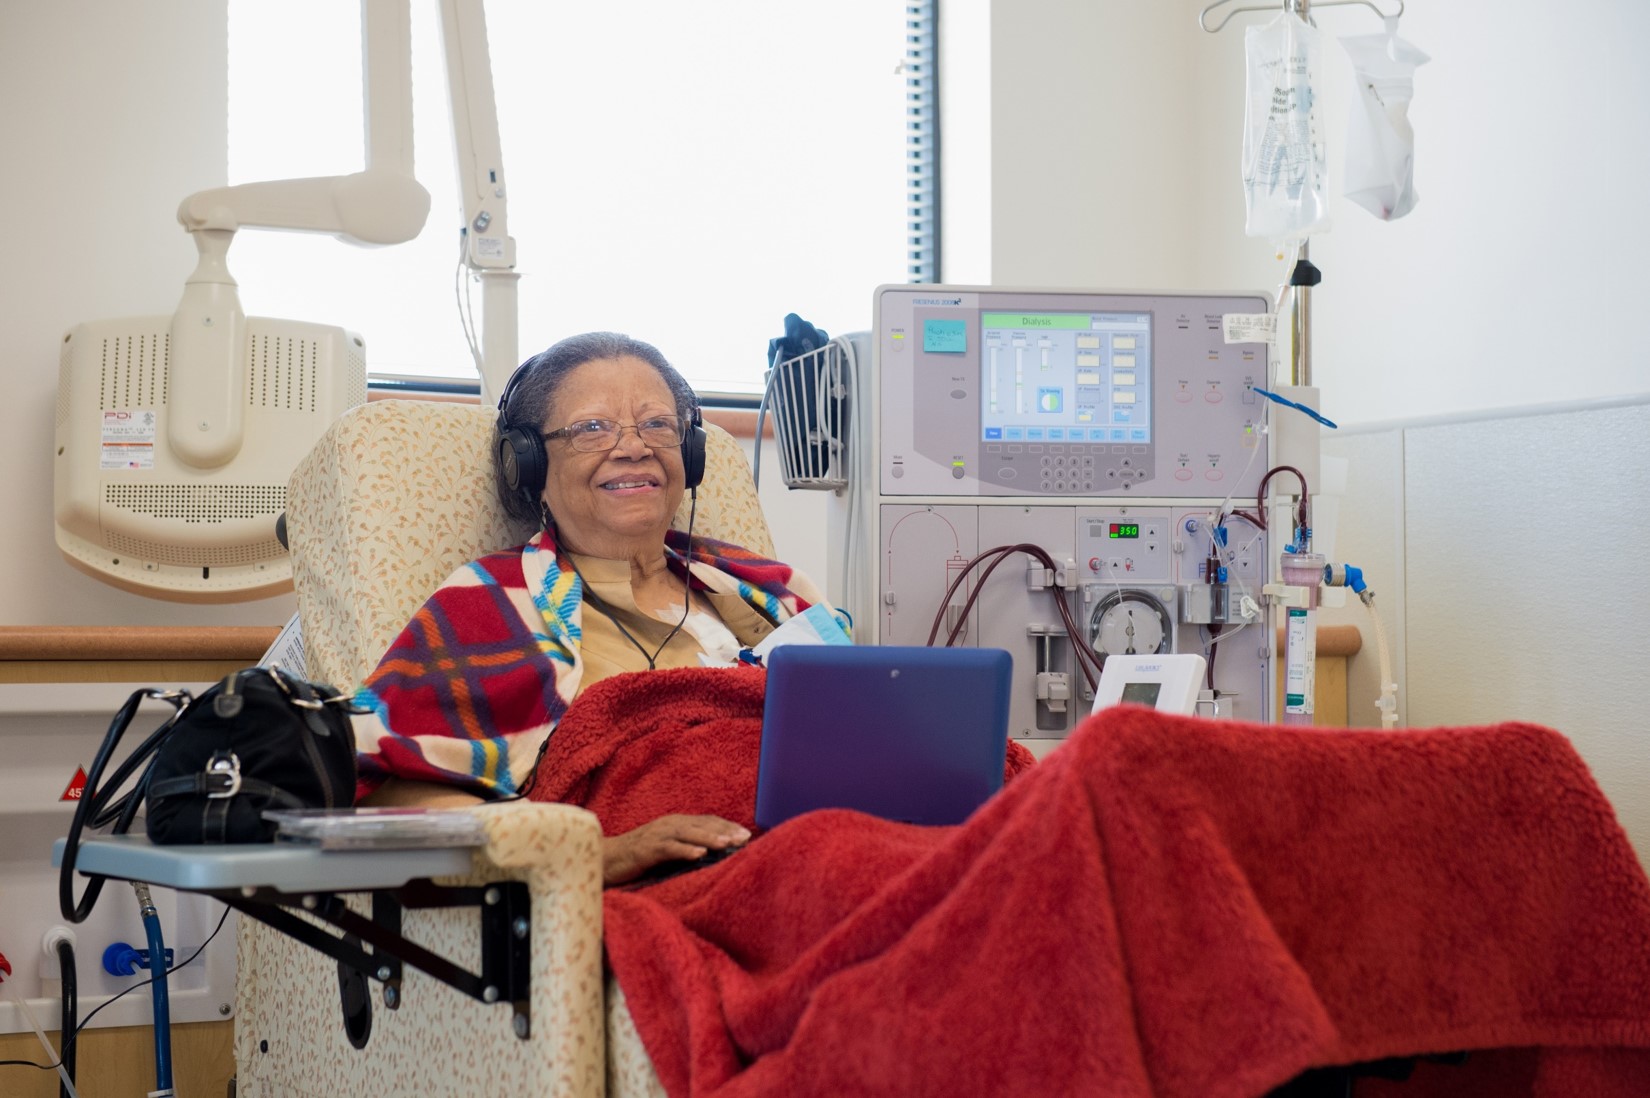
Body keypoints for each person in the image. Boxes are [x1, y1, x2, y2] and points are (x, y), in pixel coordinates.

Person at [351, 331, 851, 885]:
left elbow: (867, 742)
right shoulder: (490, 603)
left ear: (690, 453)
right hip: (682, 882)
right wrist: (602, 854)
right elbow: (390, 803)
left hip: (818, 838)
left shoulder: (774, 591)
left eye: (658, 424)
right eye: (592, 428)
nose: (634, 446)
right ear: (530, 465)